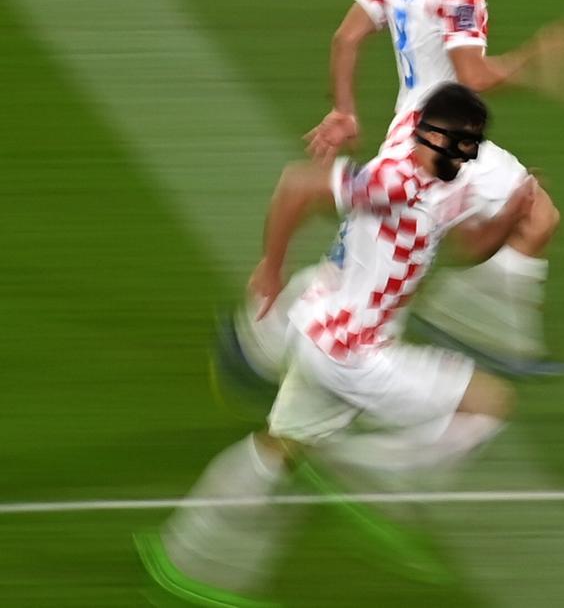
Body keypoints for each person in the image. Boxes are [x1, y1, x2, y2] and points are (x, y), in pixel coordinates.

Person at [138, 84, 536, 606]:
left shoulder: (433, 175)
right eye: (463, 143)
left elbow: (471, 243)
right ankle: (367, 479)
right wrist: (271, 267)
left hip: (316, 332)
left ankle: (184, 560)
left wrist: (512, 214)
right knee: (489, 405)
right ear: (433, 135)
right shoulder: (395, 180)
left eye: (473, 145)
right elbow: (298, 186)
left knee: (278, 448)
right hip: (356, 354)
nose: (469, 155)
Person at [303, 0, 564, 370]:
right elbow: (473, 74)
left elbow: (346, 38)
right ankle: (478, 328)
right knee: (539, 214)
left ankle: (471, 322)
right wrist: (532, 64)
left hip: (405, 139)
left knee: (387, 250)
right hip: (443, 141)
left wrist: (343, 112)